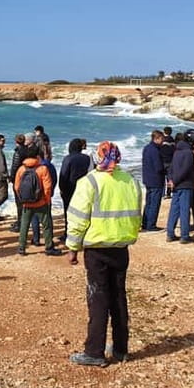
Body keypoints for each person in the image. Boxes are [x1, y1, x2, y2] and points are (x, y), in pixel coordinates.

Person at [66, 141, 141, 367]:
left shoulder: (89, 182)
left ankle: (94, 352)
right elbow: (137, 214)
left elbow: (78, 217)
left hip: (97, 248)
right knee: (119, 297)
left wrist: (73, 247)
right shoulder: (131, 181)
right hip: (121, 247)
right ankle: (120, 349)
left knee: (98, 298)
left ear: (98, 158)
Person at [14, 143, 62, 256]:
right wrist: (47, 200)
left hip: (26, 203)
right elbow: (47, 187)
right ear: (37, 156)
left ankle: (21, 248)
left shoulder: (21, 169)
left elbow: (17, 187)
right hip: (41, 203)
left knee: (24, 225)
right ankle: (49, 247)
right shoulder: (42, 169)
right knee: (46, 225)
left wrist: (22, 199)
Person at [165, 133, 194, 243]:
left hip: (176, 185)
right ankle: (184, 236)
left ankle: (170, 234)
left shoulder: (176, 152)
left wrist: (171, 180)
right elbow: (186, 170)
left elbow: (171, 168)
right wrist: (175, 181)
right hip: (185, 185)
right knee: (184, 210)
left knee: (174, 210)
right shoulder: (188, 153)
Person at [59, 140, 92, 238]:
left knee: (68, 212)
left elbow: (63, 175)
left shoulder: (67, 159)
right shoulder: (87, 158)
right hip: (83, 189)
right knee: (82, 212)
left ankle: (68, 233)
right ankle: (83, 232)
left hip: (69, 189)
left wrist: (62, 188)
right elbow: (90, 172)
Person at [141, 130, 165, 232]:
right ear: (157, 138)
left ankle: (145, 223)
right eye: (162, 139)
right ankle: (151, 225)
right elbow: (158, 167)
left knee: (148, 202)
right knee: (155, 203)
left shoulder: (146, 148)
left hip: (147, 178)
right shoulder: (155, 150)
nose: (163, 141)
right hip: (156, 179)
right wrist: (165, 170)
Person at [8, 133, 27, 232]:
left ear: (16, 142)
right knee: (23, 202)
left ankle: (20, 224)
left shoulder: (18, 152)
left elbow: (15, 166)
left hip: (18, 178)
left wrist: (11, 178)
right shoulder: (27, 150)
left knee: (19, 202)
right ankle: (21, 221)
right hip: (26, 178)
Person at [160, 126, 175, 199]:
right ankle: (168, 193)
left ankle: (162, 193)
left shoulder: (162, 140)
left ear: (164, 132)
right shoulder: (173, 140)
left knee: (162, 178)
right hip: (171, 161)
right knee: (169, 179)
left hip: (163, 161)